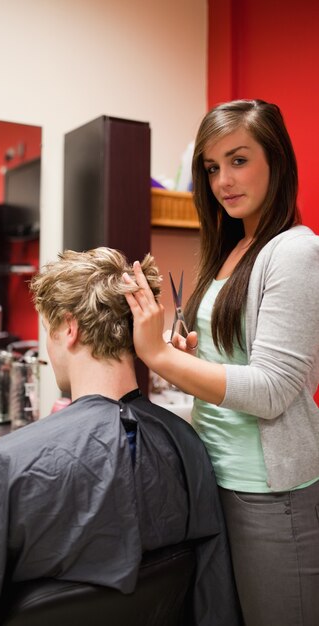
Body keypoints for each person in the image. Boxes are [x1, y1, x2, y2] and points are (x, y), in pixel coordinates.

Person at [0, 247, 241, 626]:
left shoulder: (9, 461)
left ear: (69, 328)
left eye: (48, 332)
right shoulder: (185, 443)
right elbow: (211, 592)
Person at [123, 99, 319, 626]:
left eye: (238, 160)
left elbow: (273, 389)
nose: (223, 181)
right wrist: (190, 351)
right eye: (212, 168)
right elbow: (236, 358)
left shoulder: (295, 251)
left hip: (268, 494)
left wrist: (158, 355)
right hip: (216, 475)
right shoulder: (232, 249)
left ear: (276, 160)